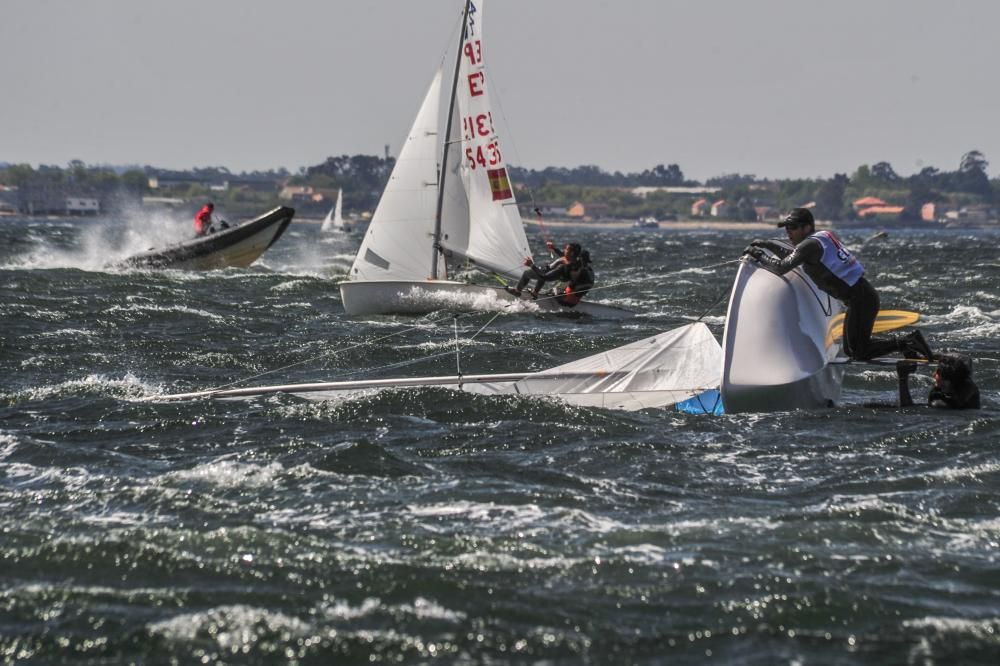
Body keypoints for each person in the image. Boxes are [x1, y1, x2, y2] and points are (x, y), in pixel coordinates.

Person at [742, 207, 933, 361]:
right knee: (853, 351)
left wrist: (758, 254)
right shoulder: (820, 238)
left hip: (861, 299)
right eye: (786, 228)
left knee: (859, 352)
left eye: (792, 228)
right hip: (860, 298)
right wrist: (766, 244)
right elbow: (794, 257)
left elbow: (782, 267)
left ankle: (908, 342)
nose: (788, 232)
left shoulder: (809, 245)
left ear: (807, 228)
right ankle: (907, 346)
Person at [896, 353, 980, 409]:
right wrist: (926, 356)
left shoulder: (940, 403)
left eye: (936, 373)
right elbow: (964, 358)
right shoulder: (962, 378)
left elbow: (909, 409)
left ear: (947, 381)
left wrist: (902, 377)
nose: (933, 375)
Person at [507, 240, 582, 299]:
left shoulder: (566, 264)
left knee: (527, 273)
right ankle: (535, 293)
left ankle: (517, 291)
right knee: (543, 271)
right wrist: (554, 248)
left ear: (572, 253)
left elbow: (544, 276)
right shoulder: (574, 259)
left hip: (553, 275)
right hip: (551, 272)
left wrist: (531, 265)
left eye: (566, 249)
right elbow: (563, 255)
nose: (564, 250)